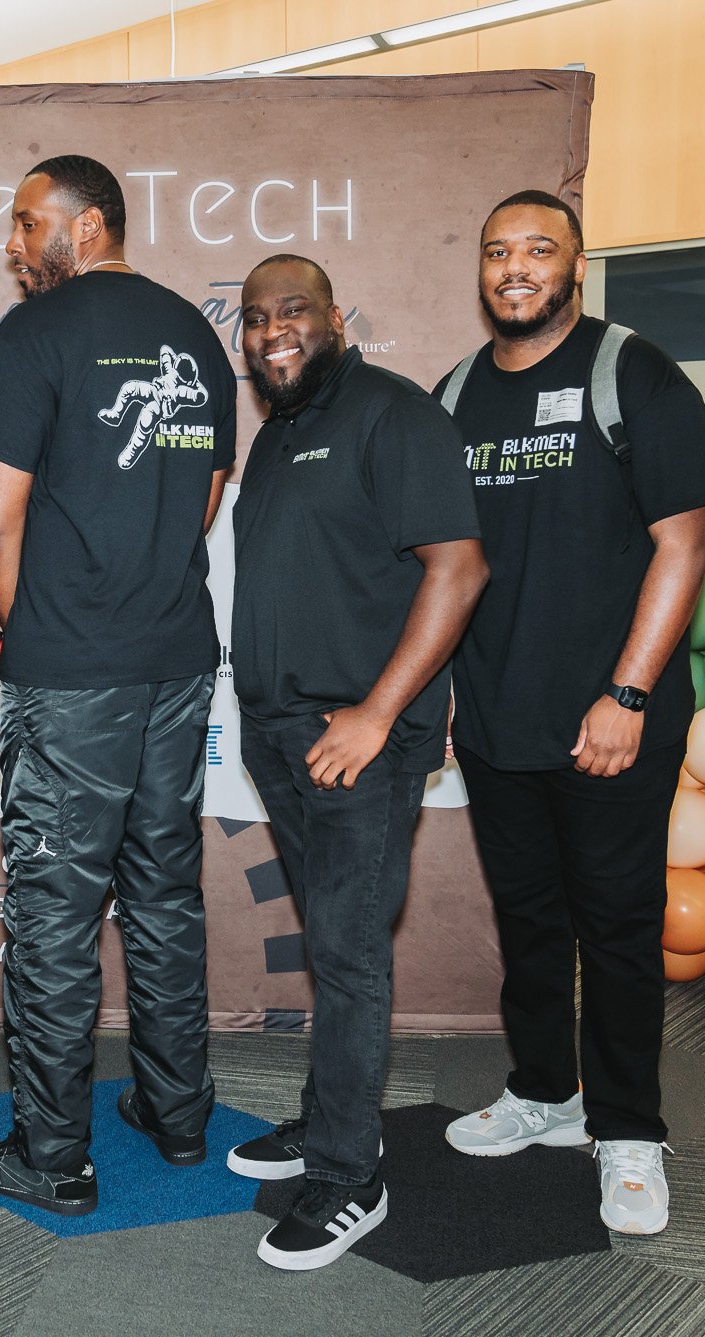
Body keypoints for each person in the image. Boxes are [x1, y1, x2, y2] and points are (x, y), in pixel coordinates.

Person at [435, 190, 705, 1235]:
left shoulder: (630, 370)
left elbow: (683, 542)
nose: (514, 266)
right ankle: (543, 1091)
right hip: (496, 717)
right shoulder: (454, 393)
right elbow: (445, 564)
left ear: (573, 263)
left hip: (611, 719)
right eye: (496, 250)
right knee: (526, 922)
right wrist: (443, 692)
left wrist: (627, 690)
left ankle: (628, 1128)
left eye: (537, 248)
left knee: (615, 929)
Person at [0, 155, 236, 1216]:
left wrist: (33, 623)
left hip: (73, 668)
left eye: (26, 221)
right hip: (176, 657)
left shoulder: (37, 331)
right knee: (163, 891)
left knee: (54, 911)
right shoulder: (193, 332)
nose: (13, 243)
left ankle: (53, 1154)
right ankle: (178, 1116)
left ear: (84, 225)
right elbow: (206, 493)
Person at [224, 255, 488, 1269]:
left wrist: (378, 713)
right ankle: (332, 1117)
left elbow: (457, 568)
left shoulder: (394, 414)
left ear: (335, 317)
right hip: (281, 733)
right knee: (333, 941)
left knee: (346, 952)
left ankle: (348, 1175)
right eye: (255, 318)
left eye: (292, 310)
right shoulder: (280, 428)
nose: (271, 331)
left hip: (356, 740)